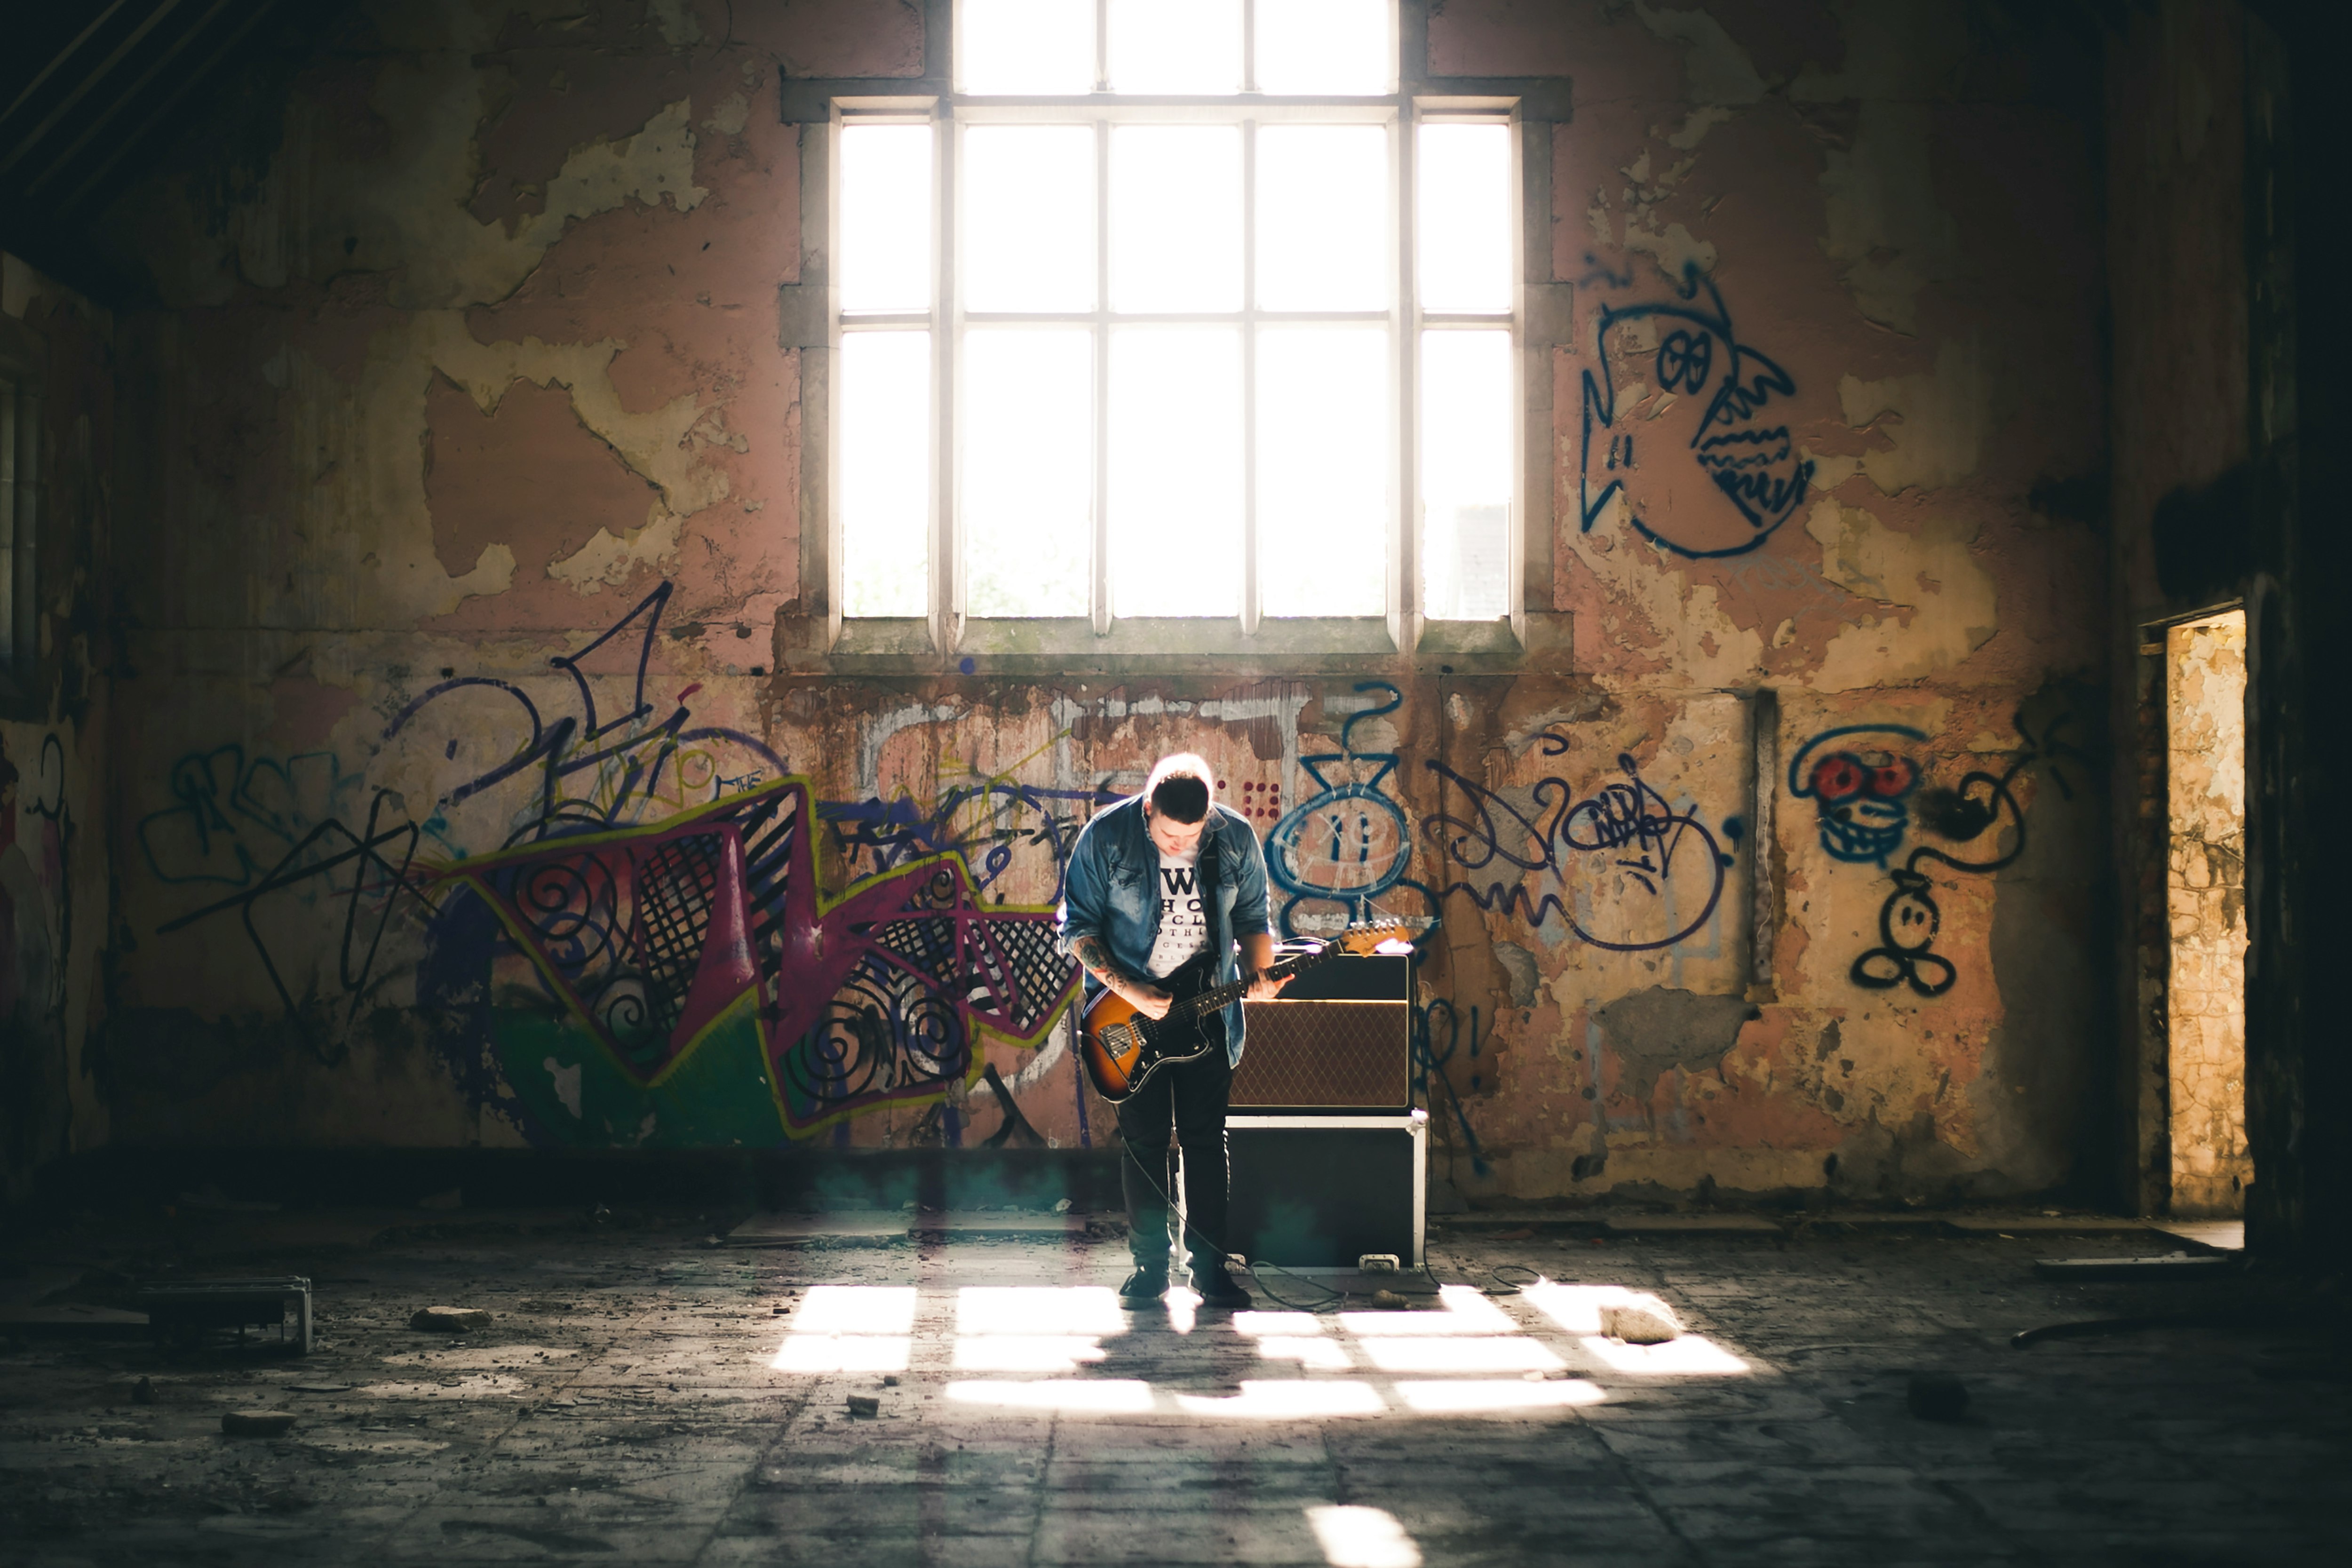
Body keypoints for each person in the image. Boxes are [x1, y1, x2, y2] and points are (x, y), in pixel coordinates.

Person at [1058, 754, 1289, 1309]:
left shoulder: (1232, 838)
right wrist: (1131, 992)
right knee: (1143, 1144)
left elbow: (1254, 917)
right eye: (1166, 833)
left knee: (1206, 1143)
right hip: (1129, 1018)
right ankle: (1148, 1268)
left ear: (1208, 815)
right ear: (1147, 808)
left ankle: (1209, 1269)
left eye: (1190, 833)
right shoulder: (1106, 837)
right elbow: (1077, 928)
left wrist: (1261, 974)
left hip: (1207, 1013)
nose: (1176, 843)